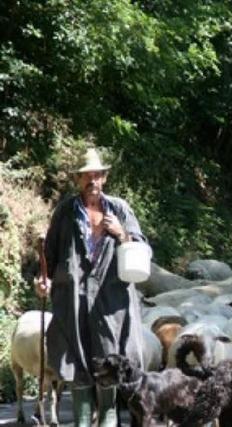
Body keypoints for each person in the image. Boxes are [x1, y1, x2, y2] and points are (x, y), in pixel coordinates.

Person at [35, 147, 148, 426]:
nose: (92, 181)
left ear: (105, 178)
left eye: (97, 175)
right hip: (72, 301)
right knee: (75, 361)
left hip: (111, 304)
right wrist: (43, 280)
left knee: (109, 364)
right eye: (86, 176)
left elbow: (143, 250)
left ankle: (108, 418)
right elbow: (49, 255)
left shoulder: (120, 209)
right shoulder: (65, 212)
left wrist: (122, 234)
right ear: (77, 180)